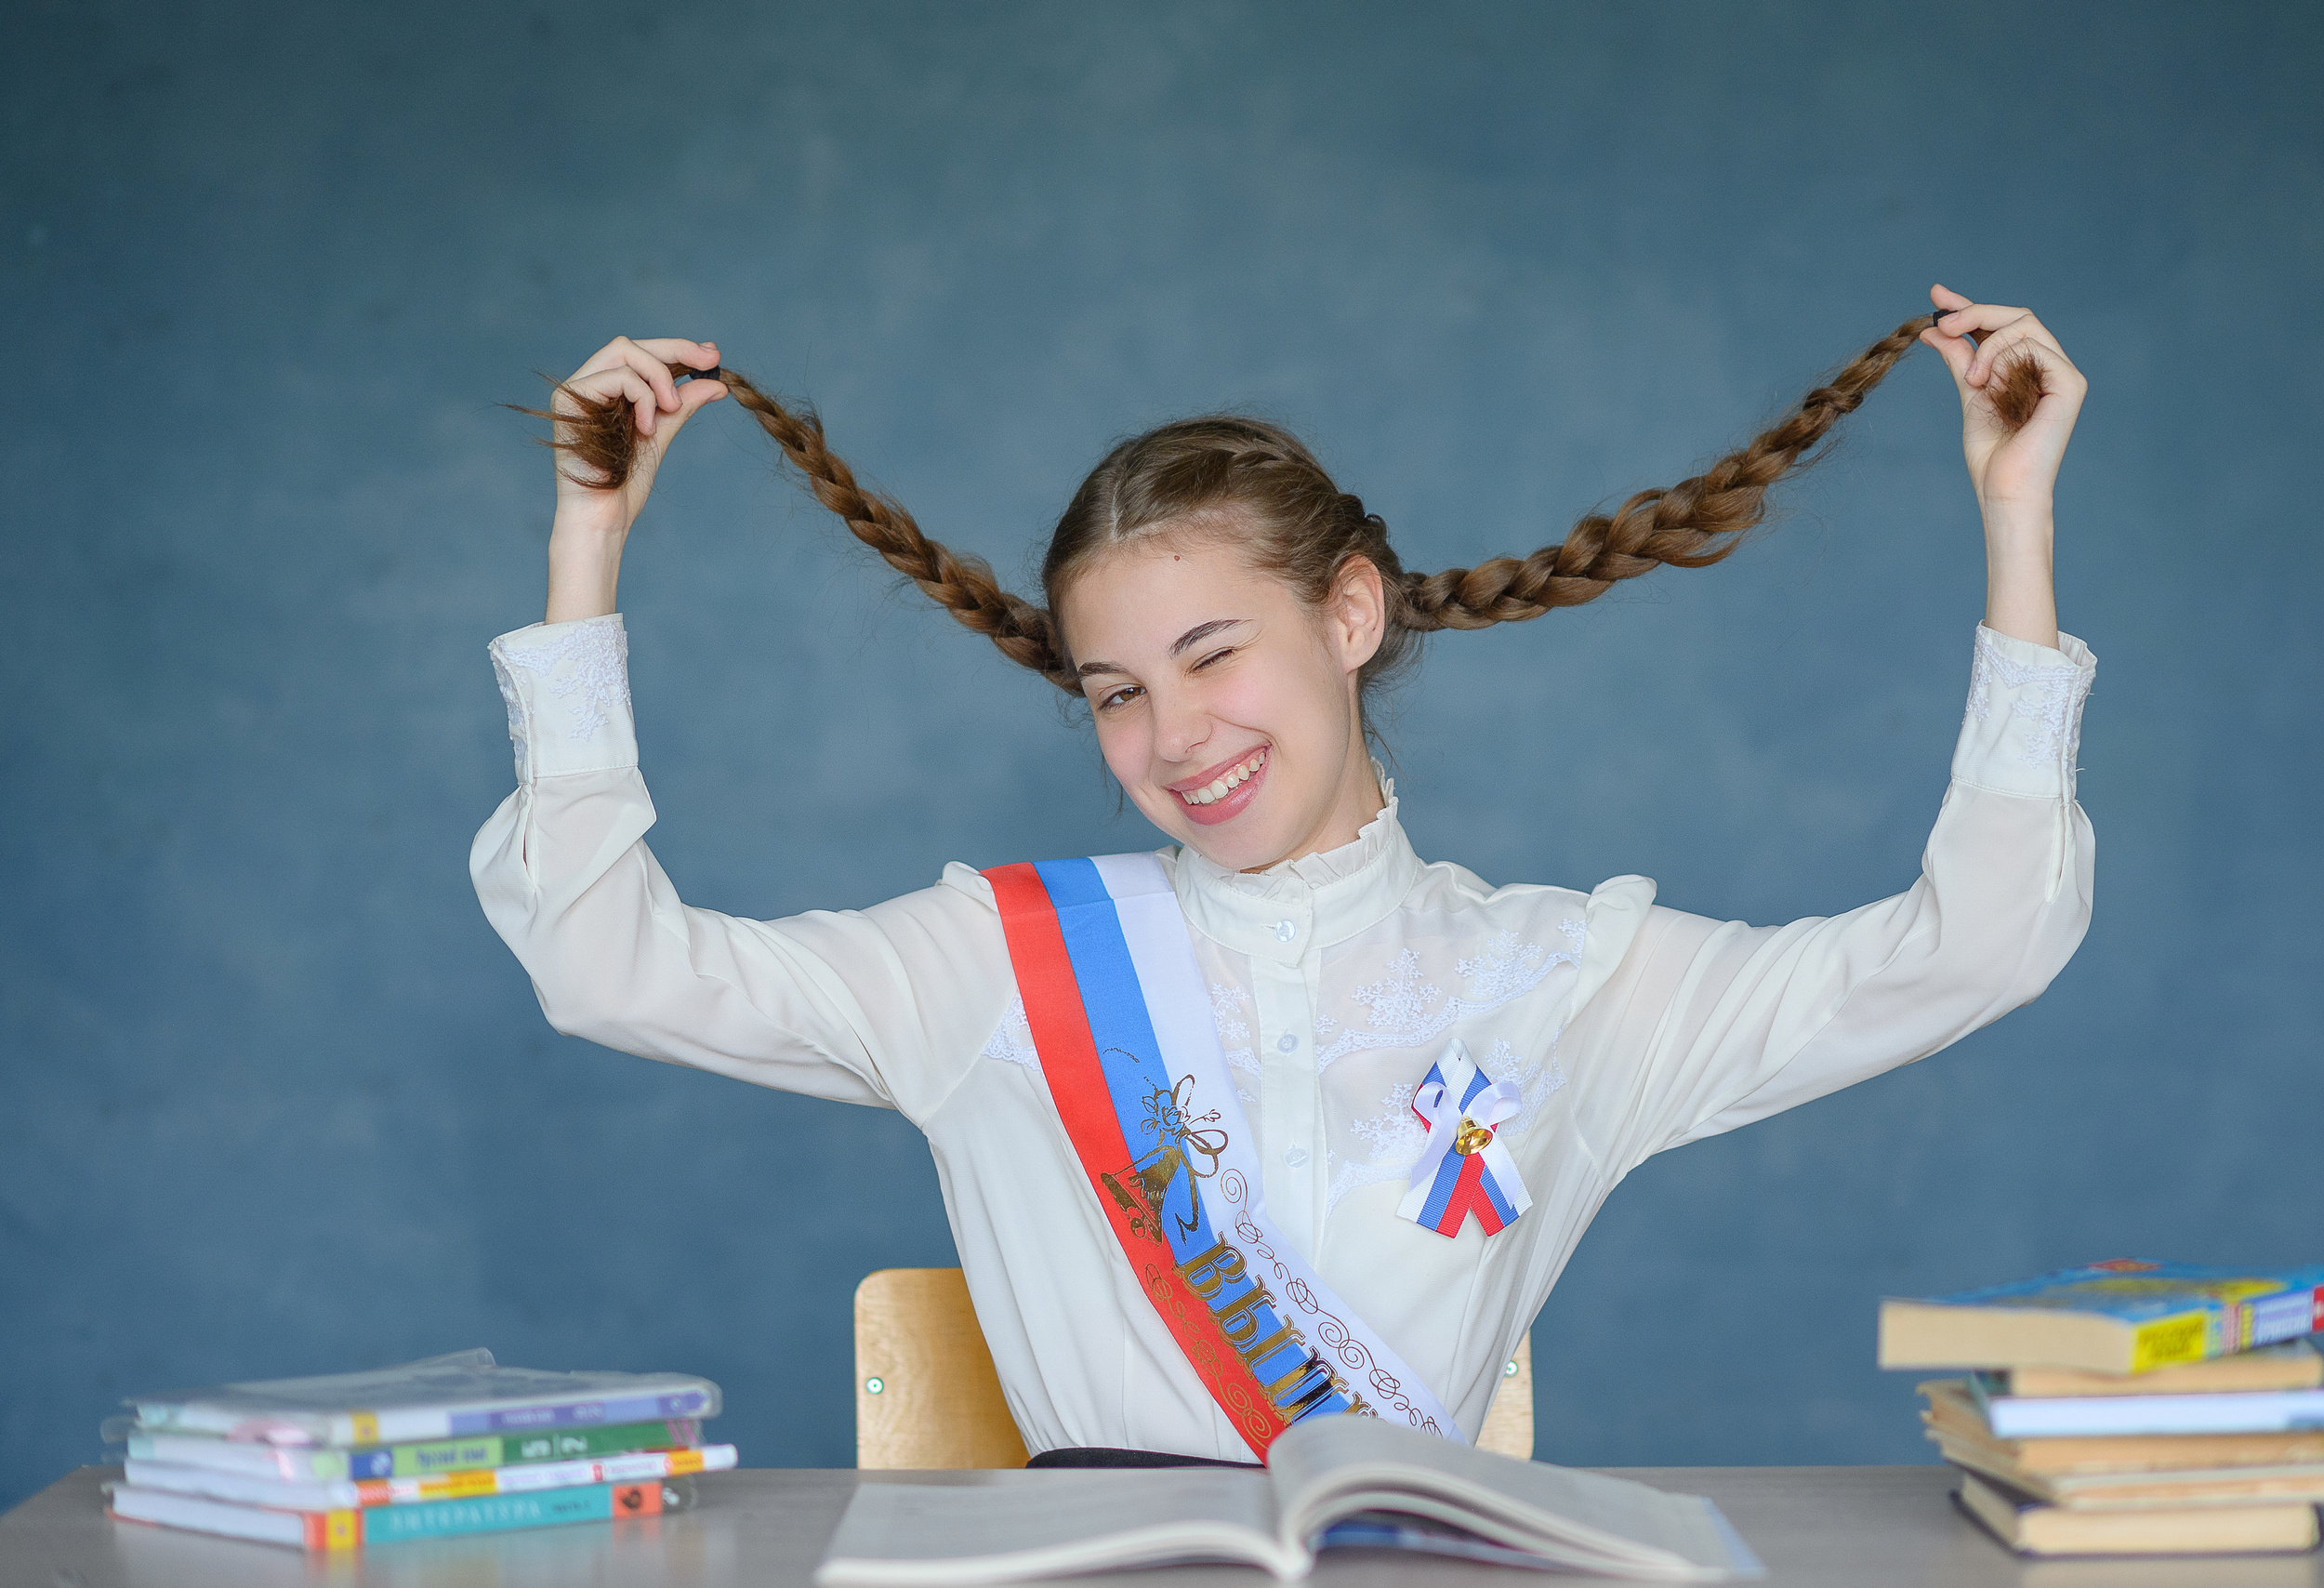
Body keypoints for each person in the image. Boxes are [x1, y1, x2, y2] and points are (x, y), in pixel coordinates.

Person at [472, 285, 2094, 1464]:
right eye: (1115, 693)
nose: (1173, 736)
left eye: (1210, 654)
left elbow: (1977, 948)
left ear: (1350, 618)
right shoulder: (999, 963)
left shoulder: (1568, 982)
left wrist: (2014, 520)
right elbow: (606, 968)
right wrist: (586, 546)